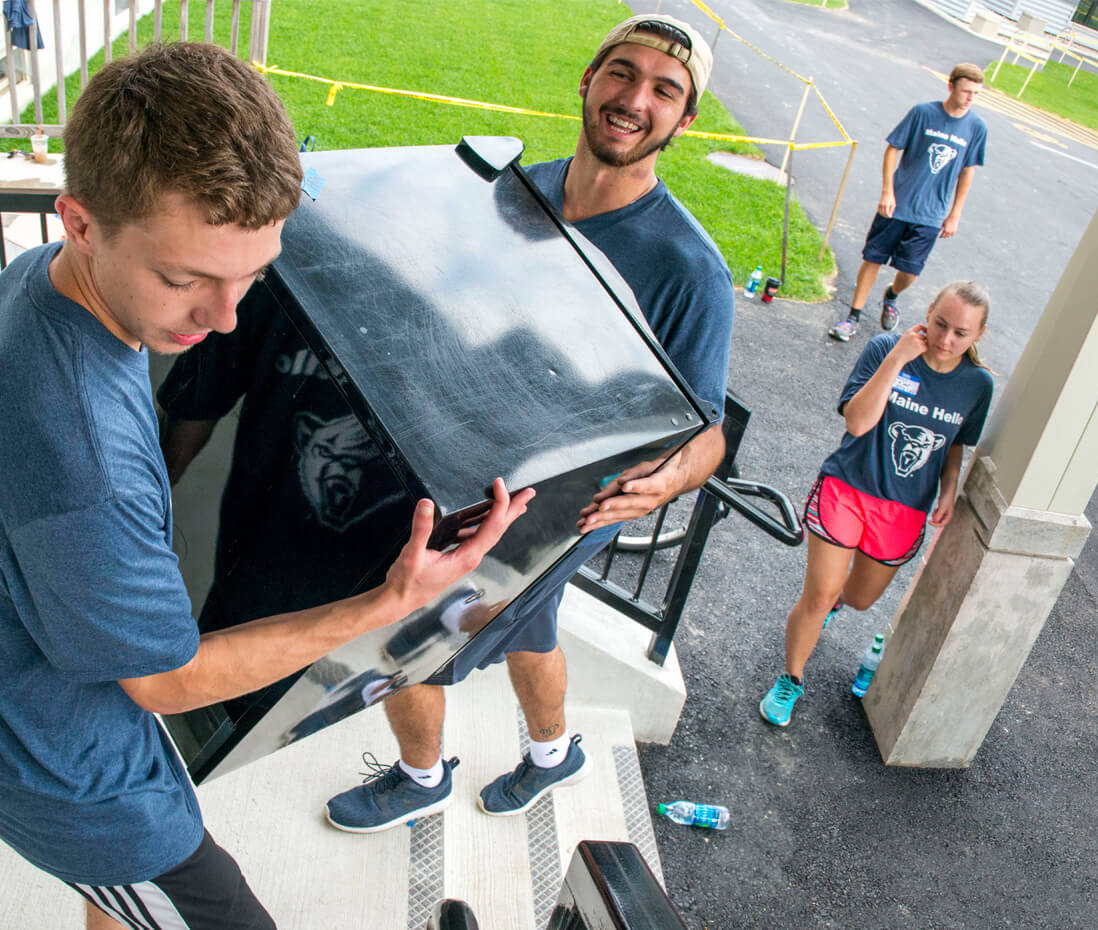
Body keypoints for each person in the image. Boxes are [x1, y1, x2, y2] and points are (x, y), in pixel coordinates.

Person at [0, 43, 532, 930]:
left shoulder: (36, 281)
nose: (225, 318)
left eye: (252, 272)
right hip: (76, 780)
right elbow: (165, 684)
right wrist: (389, 601)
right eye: (185, 279)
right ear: (80, 221)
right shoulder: (89, 467)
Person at [165, 15, 735, 833]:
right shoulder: (506, 195)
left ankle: (463, 769)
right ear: (587, 80)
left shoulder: (689, 271)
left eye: (663, 89)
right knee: (502, 635)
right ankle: (525, 758)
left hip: (546, 515)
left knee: (434, 635)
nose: (632, 98)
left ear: (685, 120)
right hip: (465, 476)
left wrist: (666, 481)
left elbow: (707, 431)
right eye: (621, 72)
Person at [762, 282, 993, 726]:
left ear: (978, 335)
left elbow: (956, 445)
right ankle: (791, 677)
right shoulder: (886, 347)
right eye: (940, 324)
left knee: (861, 599)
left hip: (903, 509)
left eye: (961, 333)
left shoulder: (977, 385)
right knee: (820, 593)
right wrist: (897, 359)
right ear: (928, 312)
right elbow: (857, 420)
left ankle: (832, 607)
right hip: (847, 488)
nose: (946, 340)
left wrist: (949, 489)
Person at [828, 64, 987, 342]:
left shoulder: (976, 127)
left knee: (910, 272)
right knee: (872, 259)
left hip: (931, 213)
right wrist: (887, 191)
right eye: (966, 91)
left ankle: (892, 295)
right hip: (897, 205)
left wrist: (955, 214)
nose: (970, 98)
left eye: (976, 93)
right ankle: (852, 317)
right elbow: (893, 149)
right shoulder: (923, 113)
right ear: (951, 87)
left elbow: (967, 171)